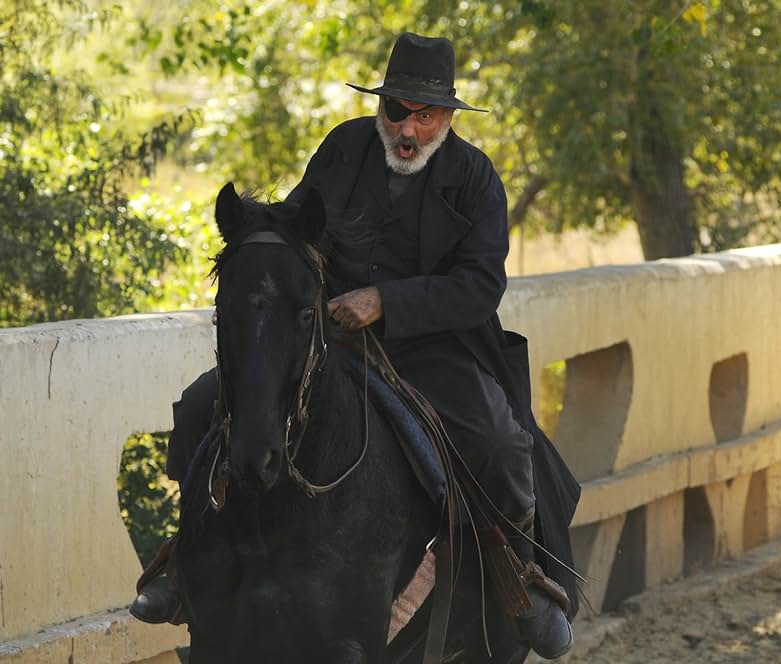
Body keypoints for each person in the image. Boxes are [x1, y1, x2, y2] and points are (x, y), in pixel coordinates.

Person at [133, 32, 579, 660]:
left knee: (500, 443)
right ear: (382, 107)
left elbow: (479, 285)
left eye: (425, 116)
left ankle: (520, 578)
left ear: (446, 117)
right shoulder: (344, 148)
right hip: (331, 339)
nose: (409, 128)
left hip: (432, 349)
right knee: (198, 406)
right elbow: (293, 231)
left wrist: (385, 303)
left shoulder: (476, 178)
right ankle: (184, 565)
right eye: (398, 110)